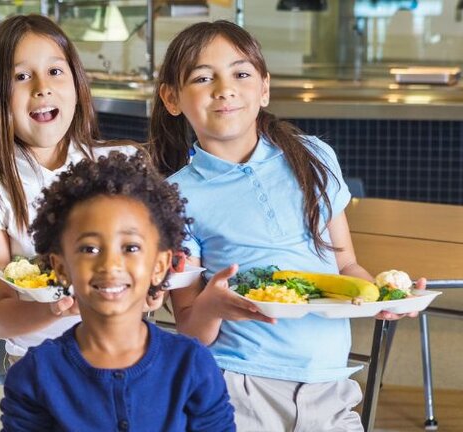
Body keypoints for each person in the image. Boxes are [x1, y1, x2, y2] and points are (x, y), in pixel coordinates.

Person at [151, 20, 420, 431]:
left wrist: (384, 296)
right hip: (237, 385)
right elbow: (189, 329)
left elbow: (345, 263)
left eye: (241, 74)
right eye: (203, 78)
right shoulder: (173, 198)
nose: (225, 89)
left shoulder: (314, 156)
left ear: (264, 88)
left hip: (331, 382)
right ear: (172, 98)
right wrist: (210, 305)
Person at [0, 152, 236, 431]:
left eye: (131, 248)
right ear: (60, 267)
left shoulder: (192, 365)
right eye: (90, 249)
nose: (110, 265)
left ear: (160, 265)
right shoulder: (35, 375)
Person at [0, 14, 141, 362]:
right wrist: (59, 309)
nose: (42, 87)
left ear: (77, 83)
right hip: (39, 365)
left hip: (129, 358)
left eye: (55, 71)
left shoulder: (124, 161)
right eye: (21, 76)